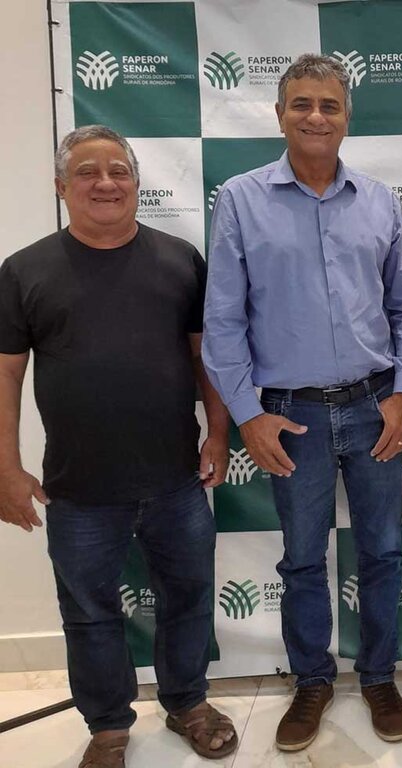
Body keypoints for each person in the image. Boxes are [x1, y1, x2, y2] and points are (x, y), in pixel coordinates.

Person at [202, 54, 402, 752]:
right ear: (279, 115)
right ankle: (311, 683)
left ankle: (380, 676)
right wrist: (247, 413)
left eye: (329, 105)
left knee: (383, 552)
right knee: (302, 559)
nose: (316, 117)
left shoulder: (382, 201)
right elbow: (223, 320)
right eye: (301, 104)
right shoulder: (240, 199)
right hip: (288, 415)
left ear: (346, 116)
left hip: (372, 408)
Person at [0, 125, 238, 767]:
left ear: (136, 183)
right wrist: (5, 468)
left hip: (175, 482)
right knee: (88, 613)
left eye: (118, 171)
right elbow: (7, 374)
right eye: (86, 172)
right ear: (60, 187)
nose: (104, 182)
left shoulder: (181, 259)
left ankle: (188, 701)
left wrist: (217, 432)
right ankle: (107, 727)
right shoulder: (23, 271)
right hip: (78, 490)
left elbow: (205, 358)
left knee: (188, 598)